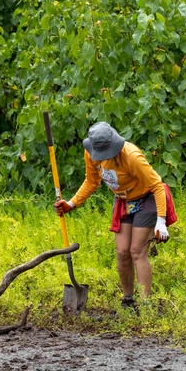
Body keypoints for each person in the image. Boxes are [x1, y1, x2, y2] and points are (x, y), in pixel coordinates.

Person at [54, 122, 169, 310]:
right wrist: (72, 204)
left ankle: (146, 305)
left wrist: (161, 221)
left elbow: (157, 186)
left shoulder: (132, 157)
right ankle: (128, 301)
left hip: (147, 199)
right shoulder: (91, 153)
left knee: (136, 251)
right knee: (122, 252)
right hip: (123, 201)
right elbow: (92, 182)